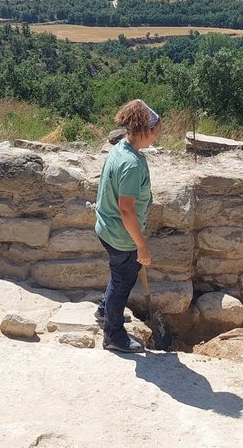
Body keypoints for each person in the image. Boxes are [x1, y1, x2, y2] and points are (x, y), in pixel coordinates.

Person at [94, 99, 161, 353]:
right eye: (154, 132)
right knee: (123, 282)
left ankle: (105, 309)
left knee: (118, 274)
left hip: (107, 228)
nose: (156, 138)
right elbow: (126, 210)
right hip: (122, 236)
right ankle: (113, 334)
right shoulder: (131, 165)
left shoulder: (120, 149)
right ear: (142, 130)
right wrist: (141, 246)